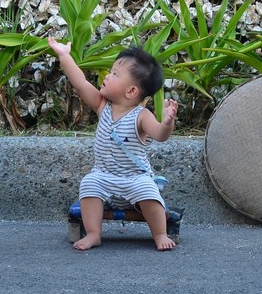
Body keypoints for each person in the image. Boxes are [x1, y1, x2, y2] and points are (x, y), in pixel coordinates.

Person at [48, 36, 179, 251]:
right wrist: (64, 56)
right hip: (104, 176)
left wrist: (167, 121)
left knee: (148, 191)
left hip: (134, 178)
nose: (107, 76)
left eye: (115, 74)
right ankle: (93, 233)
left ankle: (160, 233)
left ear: (131, 92)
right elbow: (81, 84)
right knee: (89, 183)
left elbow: (160, 135)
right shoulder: (103, 106)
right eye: (111, 71)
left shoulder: (141, 116)